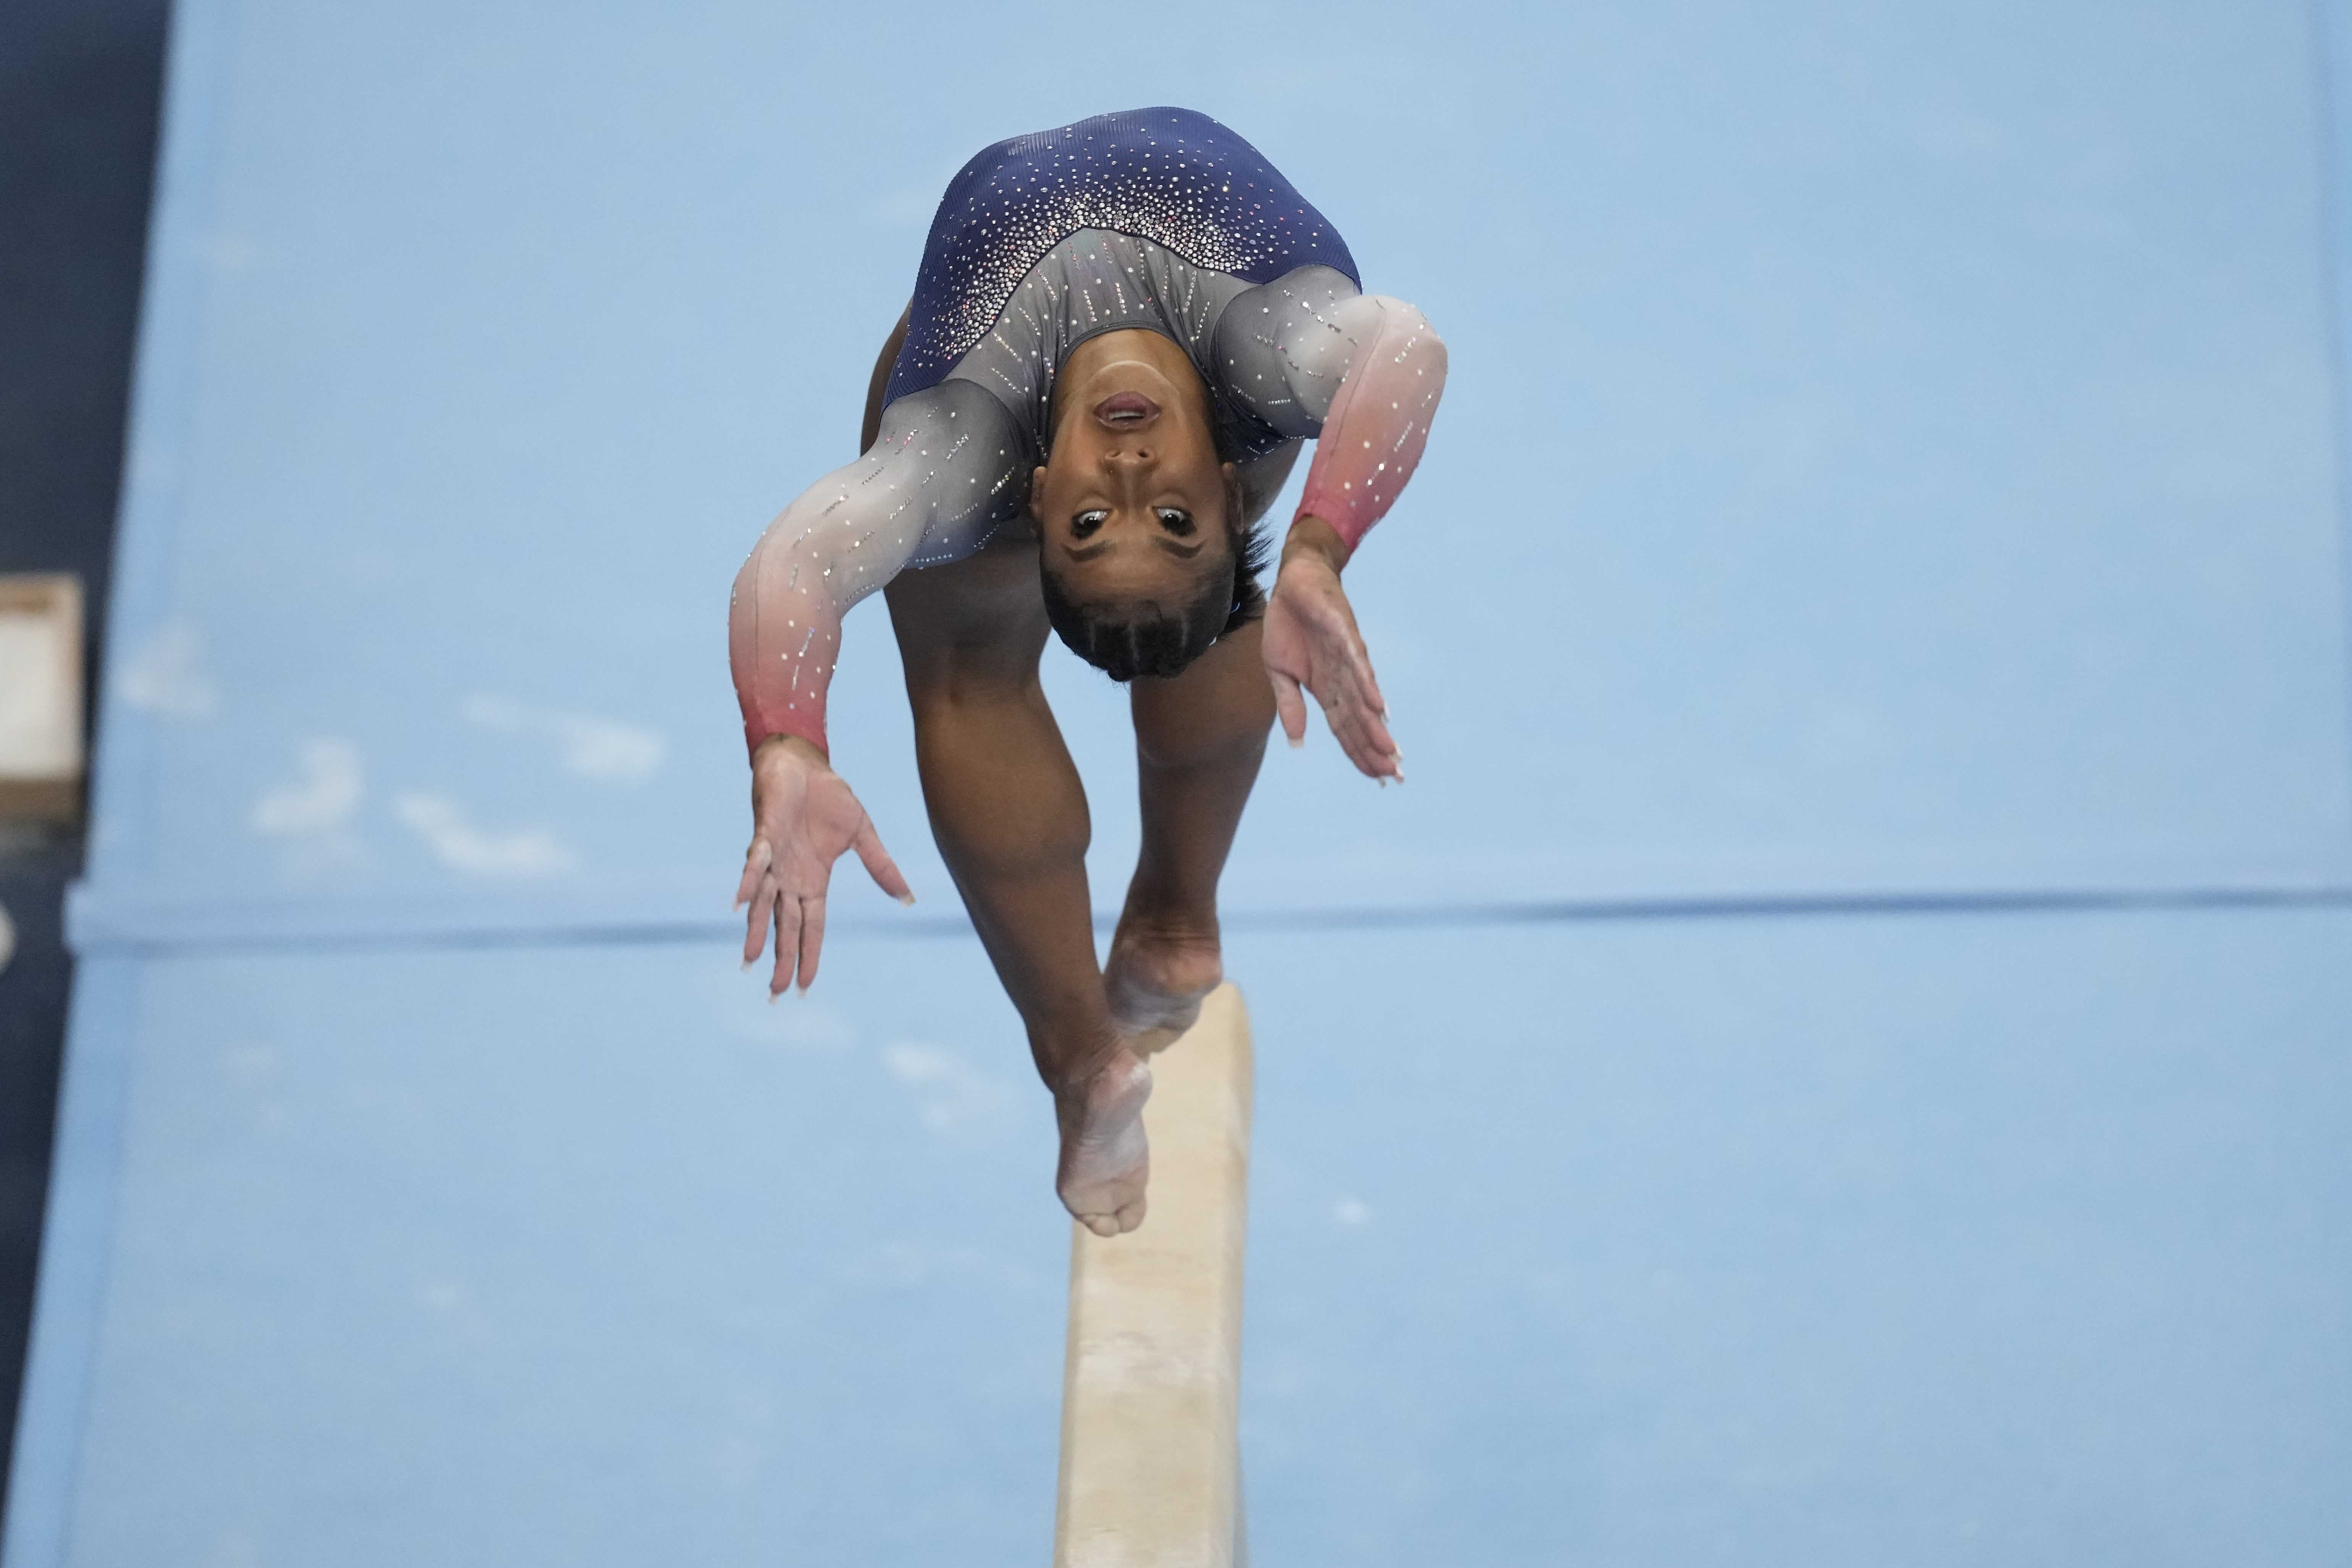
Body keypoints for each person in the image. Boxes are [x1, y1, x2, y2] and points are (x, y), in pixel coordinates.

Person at [729, 107, 1445, 1235]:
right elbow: (1404, 344)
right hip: (1190, 417)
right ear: (1222, 479)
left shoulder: (962, 457)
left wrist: (786, 742)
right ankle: (1163, 945)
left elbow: (795, 559)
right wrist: (1317, 548)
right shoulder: (1267, 352)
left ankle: (1084, 1055)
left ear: (1038, 507)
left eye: (1096, 520)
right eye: (1168, 514)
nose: (1125, 467)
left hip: (990, 394)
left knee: (968, 672)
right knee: (1181, 619)